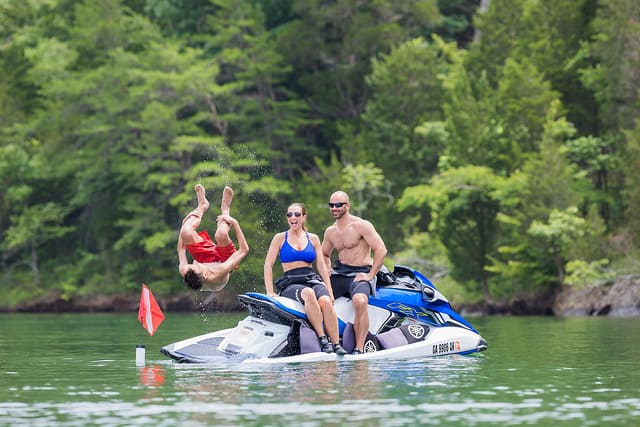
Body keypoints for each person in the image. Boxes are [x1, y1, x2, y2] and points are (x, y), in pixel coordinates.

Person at [264, 203, 347, 355]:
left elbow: (322, 266)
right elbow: (268, 265)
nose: (293, 218)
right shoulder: (280, 238)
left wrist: (329, 289)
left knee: (326, 301)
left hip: (311, 278)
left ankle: (336, 344)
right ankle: (322, 339)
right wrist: (270, 291)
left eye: (296, 214)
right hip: (291, 282)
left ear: (303, 217)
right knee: (308, 293)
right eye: (289, 215)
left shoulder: (313, 238)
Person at [322, 190, 387, 354]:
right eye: (331, 205)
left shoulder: (361, 226)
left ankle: (359, 348)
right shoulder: (331, 231)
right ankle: (327, 343)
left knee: (360, 301)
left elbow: (381, 249)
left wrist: (371, 275)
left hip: (361, 272)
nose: (334, 208)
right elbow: (323, 254)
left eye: (338, 205)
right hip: (341, 272)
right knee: (319, 298)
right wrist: (327, 268)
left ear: (348, 205)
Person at [178, 184, 249, 291]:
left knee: (186, 232)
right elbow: (244, 250)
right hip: (224, 260)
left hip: (204, 256)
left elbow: (181, 249)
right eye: (197, 265)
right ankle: (225, 209)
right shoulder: (220, 270)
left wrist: (185, 223)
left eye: (192, 264)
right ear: (205, 275)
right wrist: (234, 223)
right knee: (221, 234)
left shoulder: (186, 270)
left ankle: (202, 205)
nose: (195, 262)